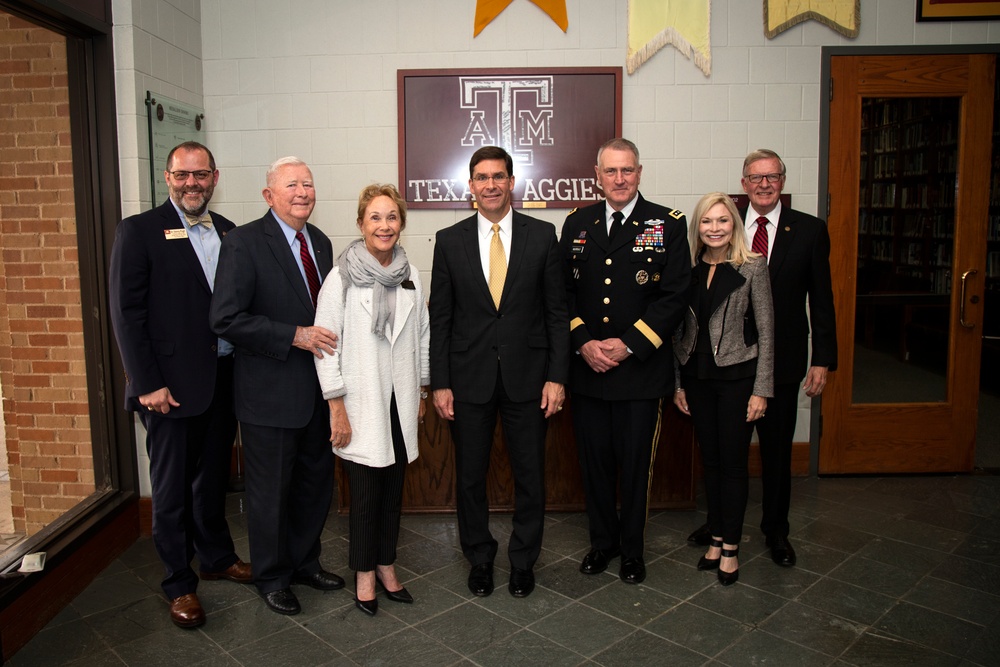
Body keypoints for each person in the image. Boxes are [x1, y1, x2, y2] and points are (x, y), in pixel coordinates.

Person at [108, 141, 252, 628]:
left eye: (201, 175)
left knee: (212, 479)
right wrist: (146, 383)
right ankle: (178, 583)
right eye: (182, 175)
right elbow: (126, 315)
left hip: (221, 382)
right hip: (166, 388)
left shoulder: (229, 231)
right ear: (167, 178)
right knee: (170, 491)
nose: (192, 184)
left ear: (215, 177)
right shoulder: (139, 231)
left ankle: (215, 558)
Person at [429, 145, 569, 599]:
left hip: (529, 379)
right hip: (467, 380)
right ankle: (480, 558)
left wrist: (557, 375)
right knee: (470, 477)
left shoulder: (543, 235)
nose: (490, 185)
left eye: (499, 176)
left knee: (530, 476)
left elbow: (556, 313)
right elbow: (442, 320)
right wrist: (441, 382)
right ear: (470, 186)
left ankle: (524, 561)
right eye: (482, 177)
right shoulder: (448, 240)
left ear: (512, 182)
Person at [686, 149, 837, 568]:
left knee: (774, 453)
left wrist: (823, 358)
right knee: (722, 453)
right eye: (756, 177)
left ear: (783, 181)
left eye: (772, 177)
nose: (764, 184)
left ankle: (775, 530)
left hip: (781, 362)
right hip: (725, 366)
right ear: (744, 182)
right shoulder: (727, 227)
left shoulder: (807, 231)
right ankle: (720, 525)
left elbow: (821, 299)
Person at [210, 156, 344, 616]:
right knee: (270, 494)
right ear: (269, 195)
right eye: (292, 185)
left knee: (314, 485)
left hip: (316, 393)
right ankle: (271, 576)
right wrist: (294, 334)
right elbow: (225, 318)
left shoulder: (322, 243)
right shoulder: (245, 243)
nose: (303, 192)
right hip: (268, 395)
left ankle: (305, 562)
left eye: (308, 183)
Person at [560, 138, 691, 585]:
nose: (619, 179)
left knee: (636, 467)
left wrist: (629, 343)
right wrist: (583, 343)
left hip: (639, 372)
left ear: (640, 172)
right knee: (594, 466)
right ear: (597, 174)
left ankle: (632, 551)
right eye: (611, 171)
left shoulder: (668, 224)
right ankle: (603, 544)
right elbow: (563, 294)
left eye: (627, 171)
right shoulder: (577, 223)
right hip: (588, 370)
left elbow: (675, 296)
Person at [314, 184, 429, 616]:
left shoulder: (411, 274)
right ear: (361, 223)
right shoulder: (341, 276)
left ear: (401, 224)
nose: (384, 226)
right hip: (360, 406)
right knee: (363, 498)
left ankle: (386, 565)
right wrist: (337, 406)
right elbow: (325, 345)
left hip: (400, 406)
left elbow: (422, 337)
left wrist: (420, 390)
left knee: (391, 494)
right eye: (375, 218)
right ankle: (363, 575)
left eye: (392, 217)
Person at [673, 192, 774, 586]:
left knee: (732, 465)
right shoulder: (689, 270)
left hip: (737, 380)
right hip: (697, 380)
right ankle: (714, 537)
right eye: (706, 222)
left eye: (722, 221)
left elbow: (767, 331)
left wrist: (761, 389)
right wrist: (678, 383)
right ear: (697, 228)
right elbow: (678, 333)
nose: (714, 228)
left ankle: (731, 546)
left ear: (734, 224)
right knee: (710, 463)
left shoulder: (753, 268)